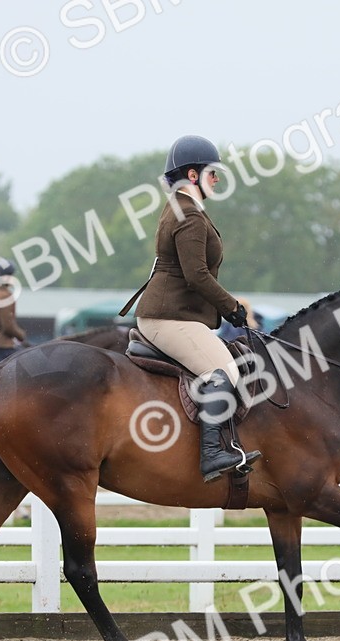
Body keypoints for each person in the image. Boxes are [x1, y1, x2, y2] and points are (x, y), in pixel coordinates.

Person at [130, 134, 261, 482]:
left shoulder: (183, 209)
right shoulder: (188, 214)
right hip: (167, 317)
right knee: (225, 373)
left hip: (174, 313)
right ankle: (213, 454)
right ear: (192, 175)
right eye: (212, 173)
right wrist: (232, 307)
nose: (217, 179)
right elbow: (196, 275)